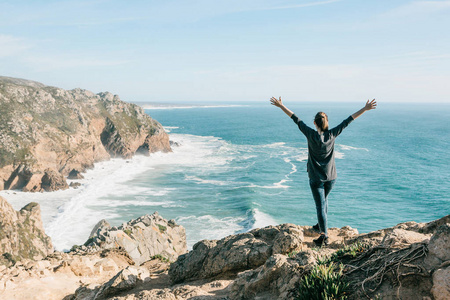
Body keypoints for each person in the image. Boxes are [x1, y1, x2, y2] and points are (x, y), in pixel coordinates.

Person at [270, 97, 377, 246]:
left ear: (315, 123)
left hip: (316, 179)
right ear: (327, 122)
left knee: (320, 205)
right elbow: (348, 120)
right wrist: (365, 109)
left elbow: (295, 118)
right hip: (331, 177)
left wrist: (281, 106)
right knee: (324, 201)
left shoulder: (310, 134)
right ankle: (320, 226)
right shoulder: (332, 134)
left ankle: (324, 236)